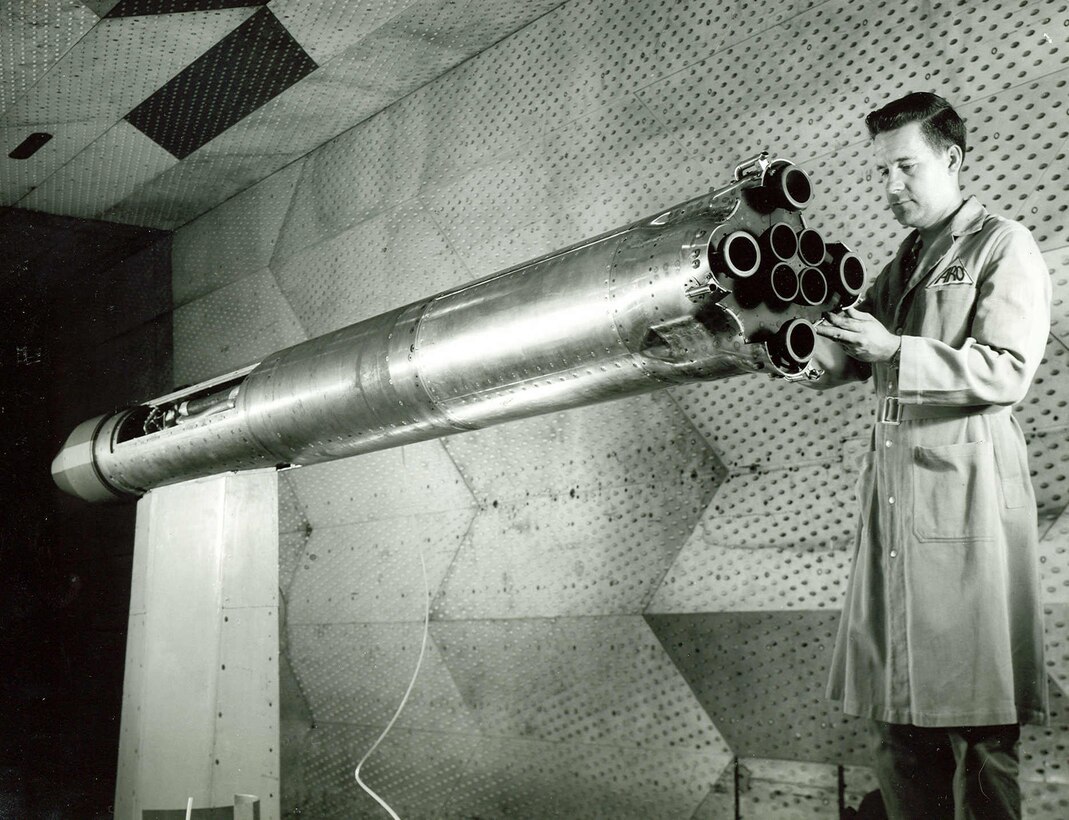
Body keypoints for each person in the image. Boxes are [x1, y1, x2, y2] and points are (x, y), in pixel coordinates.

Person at [805, 91, 1051, 819]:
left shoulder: (1002, 246)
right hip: (897, 523)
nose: (891, 189)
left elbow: (1006, 369)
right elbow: (852, 355)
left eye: (905, 168)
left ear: (951, 159)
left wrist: (894, 350)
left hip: (964, 516)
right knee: (897, 726)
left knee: (975, 737)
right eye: (881, 173)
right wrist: (794, 348)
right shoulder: (906, 260)